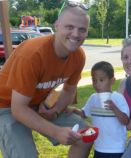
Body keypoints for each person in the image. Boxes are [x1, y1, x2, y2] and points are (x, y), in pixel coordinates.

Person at [0, 2, 92, 158]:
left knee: (85, 136)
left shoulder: (78, 56)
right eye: (69, 27)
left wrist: (55, 112)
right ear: (57, 25)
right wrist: (56, 132)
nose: (76, 34)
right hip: (6, 106)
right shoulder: (32, 54)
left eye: (82, 29)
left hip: (36, 104)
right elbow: (18, 109)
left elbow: (69, 90)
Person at [67, 61, 130, 158]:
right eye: (94, 80)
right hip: (99, 147)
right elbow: (84, 113)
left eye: (101, 80)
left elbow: (125, 121)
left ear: (112, 81)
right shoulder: (93, 98)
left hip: (116, 148)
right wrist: (75, 110)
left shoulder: (118, 98)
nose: (97, 84)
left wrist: (114, 108)